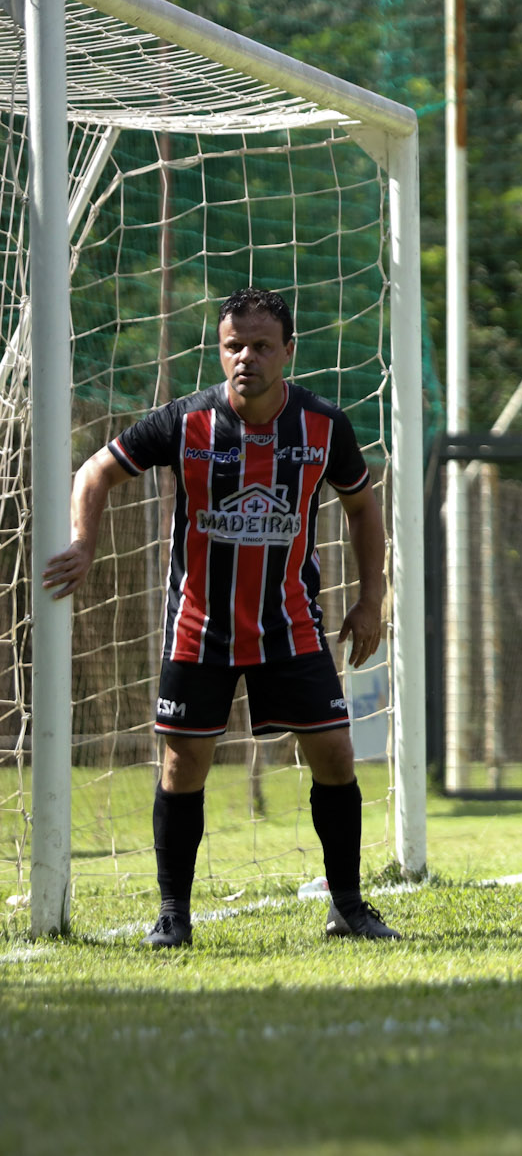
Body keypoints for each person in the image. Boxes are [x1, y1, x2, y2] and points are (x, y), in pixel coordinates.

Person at [41, 288, 397, 948]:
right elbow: (94, 472)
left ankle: (347, 907)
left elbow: (363, 507)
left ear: (288, 352)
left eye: (261, 346)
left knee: (335, 754)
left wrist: (371, 598)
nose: (246, 358)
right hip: (199, 627)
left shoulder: (323, 426)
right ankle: (173, 915)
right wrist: (83, 542)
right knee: (183, 766)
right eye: (234, 346)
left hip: (289, 625)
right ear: (220, 350)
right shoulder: (185, 421)